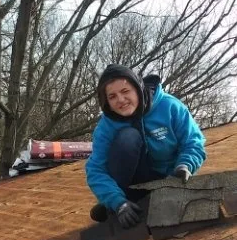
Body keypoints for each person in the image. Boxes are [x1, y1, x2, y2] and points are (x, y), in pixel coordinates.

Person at [85, 64, 206, 228]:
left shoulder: (170, 106)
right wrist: (118, 202)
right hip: (133, 184)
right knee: (128, 137)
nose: (120, 100)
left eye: (125, 91)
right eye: (112, 96)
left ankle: (114, 203)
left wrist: (185, 165)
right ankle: (117, 203)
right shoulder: (106, 126)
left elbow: (193, 141)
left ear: (138, 88)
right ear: (106, 101)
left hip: (170, 179)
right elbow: (95, 169)